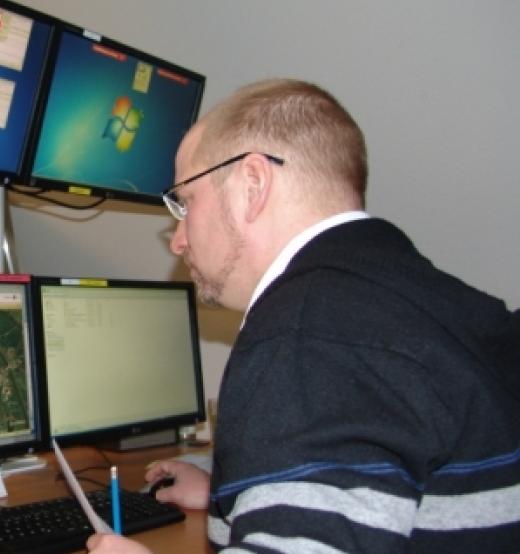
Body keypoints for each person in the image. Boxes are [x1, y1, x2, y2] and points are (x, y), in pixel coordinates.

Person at [87, 79, 520, 552]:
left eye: (185, 203)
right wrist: (235, 496)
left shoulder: (308, 333)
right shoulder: (438, 302)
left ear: (252, 184)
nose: (178, 239)